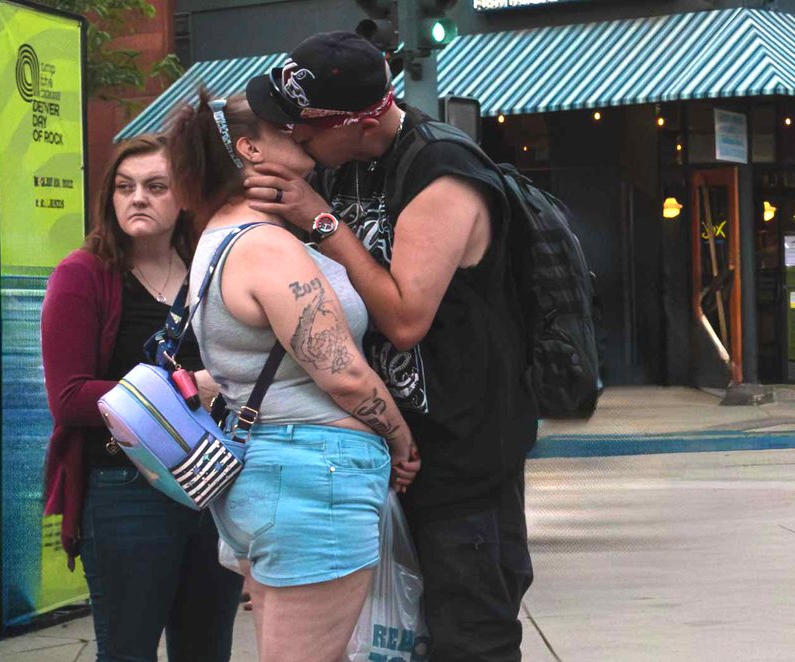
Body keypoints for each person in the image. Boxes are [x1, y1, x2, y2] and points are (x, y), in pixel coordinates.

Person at [243, 32, 540, 662]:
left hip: (457, 456)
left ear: (359, 121)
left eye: (303, 127)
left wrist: (324, 223)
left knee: (469, 636)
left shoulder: (443, 173)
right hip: (369, 451)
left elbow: (407, 319)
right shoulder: (332, 161)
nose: (292, 137)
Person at [166, 89, 420, 662]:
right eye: (287, 130)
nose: (303, 131)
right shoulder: (267, 248)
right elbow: (344, 375)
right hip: (314, 479)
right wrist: (401, 440)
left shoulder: (221, 236)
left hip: (275, 474)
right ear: (251, 149)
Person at [40, 135, 242, 662]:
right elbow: (69, 398)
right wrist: (183, 388)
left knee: (207, 650)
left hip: (213, 483)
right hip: (123, 488)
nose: (137, 199)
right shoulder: (82, 275)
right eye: (125, 187)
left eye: (156, 187)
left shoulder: (211, 268)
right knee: (127, 650)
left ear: (184, 198)